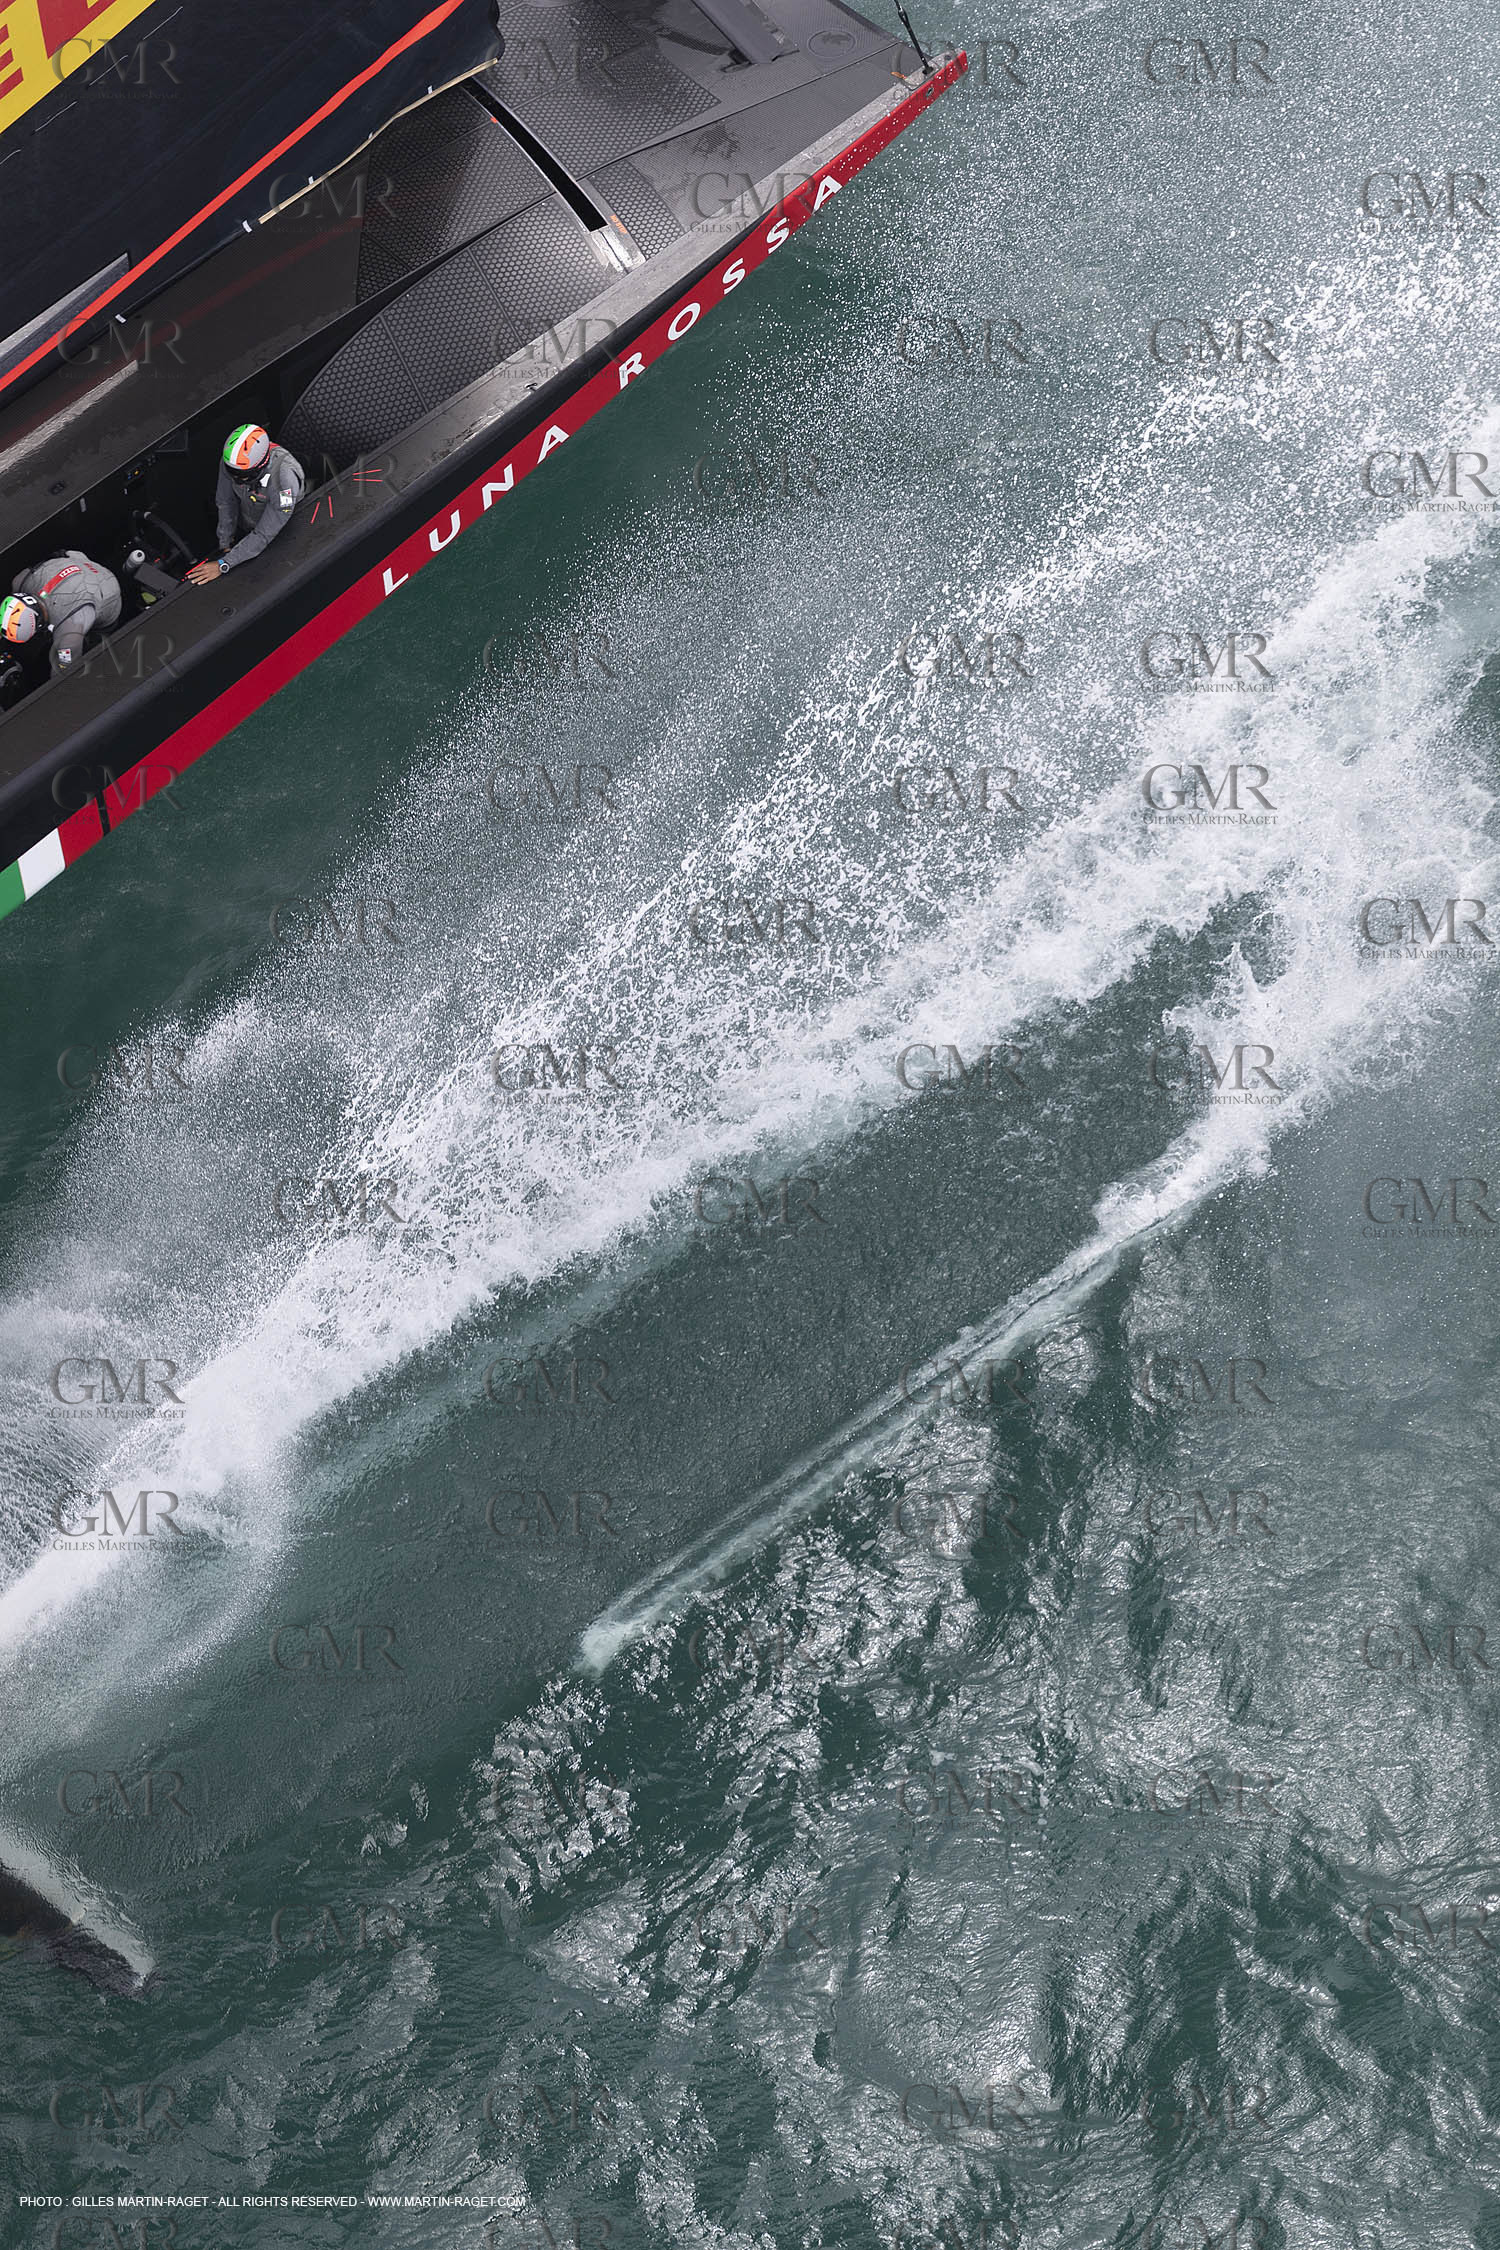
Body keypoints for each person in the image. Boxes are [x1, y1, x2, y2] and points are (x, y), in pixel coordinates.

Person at [185, 424, 305, 586]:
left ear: (260, 466)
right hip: (249, 523)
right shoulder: (234, 465)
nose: (236, 479)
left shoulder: (284, 482)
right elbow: (225, 501)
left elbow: (264, 534)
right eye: (232, 473)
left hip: (281, 531)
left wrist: (224, 564)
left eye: (243, 476)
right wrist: (225, 543)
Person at [0, 552, 122, 676]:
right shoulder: (21, 581)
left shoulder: (69, 636)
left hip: (108, 591)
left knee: (97, 641)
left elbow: (62, 674)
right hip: (78, 561)